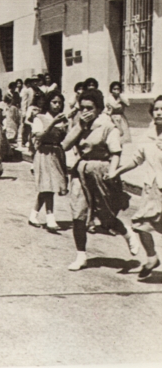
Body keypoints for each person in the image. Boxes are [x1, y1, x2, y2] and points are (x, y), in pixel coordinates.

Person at [61, 89, 139, 271]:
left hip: (101, 171)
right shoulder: (81, 125)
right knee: (78, 214)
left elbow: (116, 153)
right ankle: (81, 255)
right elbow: (65, 145)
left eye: (89, 108)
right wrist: (80, 125)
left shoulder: (107, 126)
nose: (85, 111)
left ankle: (127, 234)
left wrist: (113, 171)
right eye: (82, 108)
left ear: (98, 108)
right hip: (81, 171)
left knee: (105, 216)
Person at [109, 96, 162, 279]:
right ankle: (152, 258)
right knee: (140, 225)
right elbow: (136, 160)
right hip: (151, 189)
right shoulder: (148, 135)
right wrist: (117, 171)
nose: (159, 113)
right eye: (156, 109)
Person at [28, 91, 69, 232]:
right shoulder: (40, 118)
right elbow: (39, 136)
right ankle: (50, 219)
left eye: (60, 102)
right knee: (48, 187)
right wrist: (53, 123)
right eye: (54, 102)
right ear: (48, 103)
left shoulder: (62, 119)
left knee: (47, 187)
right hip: (44, 153)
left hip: (57, 153)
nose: (57, 105)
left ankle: (33, 215)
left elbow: (64, 138)